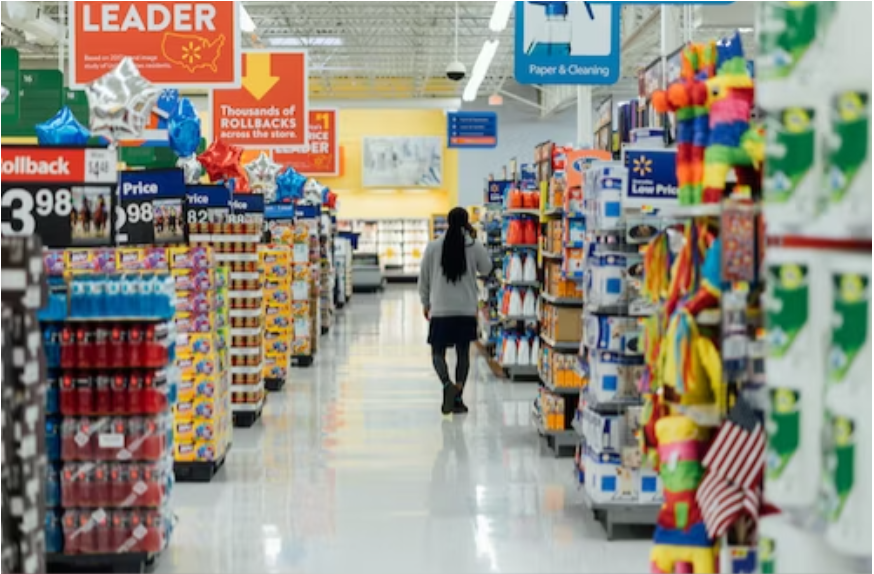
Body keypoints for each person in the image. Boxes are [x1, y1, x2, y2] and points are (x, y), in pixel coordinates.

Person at [418, 207, 492, 415]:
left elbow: (423, 278)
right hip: (466, 309)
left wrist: (425, 302)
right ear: (466, 222)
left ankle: (446, 385)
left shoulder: (433, 247)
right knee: (462, 354)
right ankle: (458, 397)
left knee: (437, 353)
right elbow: (486, 268)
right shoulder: (473, 245)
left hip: (440, 308)